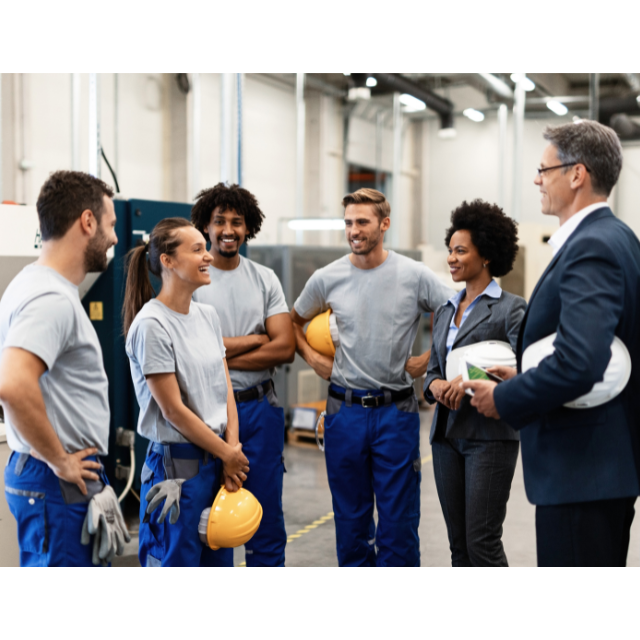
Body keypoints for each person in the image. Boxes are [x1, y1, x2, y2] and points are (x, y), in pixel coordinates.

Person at [462, 120, 640, 567]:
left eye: (544, 170)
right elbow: (600, 348)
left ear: (577, 174)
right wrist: (527, 375)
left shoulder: (592, 246)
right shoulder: (617, 237)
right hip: (599, 469)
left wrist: (506, 397)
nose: (538, 180)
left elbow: (581, 361)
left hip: (582, 471)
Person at [291, 188, 453, 567]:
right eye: (348, 223)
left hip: (395, 413)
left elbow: (458, 312)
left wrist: (429, 361)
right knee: (351, 524)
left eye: (362, 222)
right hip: (343, 413)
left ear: (384, 224)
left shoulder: (413, 275)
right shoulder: (326, 278)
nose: (353, 231)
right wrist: (313, 357)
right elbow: (292, 322)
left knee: (398, 526)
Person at [0, 170, 130, 567]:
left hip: (48, 476)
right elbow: (13, 383)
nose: (114, 238)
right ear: (87, 222)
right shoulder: (51, 298)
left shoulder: (31, 283)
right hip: (55, 479)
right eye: (109, 225)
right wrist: (60, 459)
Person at [123, 217, 249, 567]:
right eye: (197, 249)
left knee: (217, 565)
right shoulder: (152, 325)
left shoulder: (207, 316)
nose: (208, 255)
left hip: (218, 461)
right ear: (168, 261)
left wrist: (230, 452)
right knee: (175, 563)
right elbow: (173, 411)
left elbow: (226, 390)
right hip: (177, 468)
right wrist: (226, 453)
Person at [191, 183, 295, 567]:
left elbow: (284, 347)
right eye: (219, 221)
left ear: (248, 228)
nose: (228, 230)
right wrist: (254, 339)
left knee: (266, 522)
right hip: (206, 416)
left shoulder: (264, 278)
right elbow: (188, 354)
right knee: (209, 526)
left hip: (259, 412)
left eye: (237, 222)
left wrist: (215, 352)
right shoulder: (193, 278)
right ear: (205, 225)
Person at [424, 200, 526, 566]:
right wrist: (436, 387)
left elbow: (523, 369)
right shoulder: (446, 309)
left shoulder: (511, 309)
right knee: (458, 547)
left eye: (460, 250)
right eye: (450, 250)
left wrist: (465, 381)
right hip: (446, 437)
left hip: (490, 437)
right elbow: (432, 372)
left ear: (486, 254)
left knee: (481, 542)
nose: (451, 258)